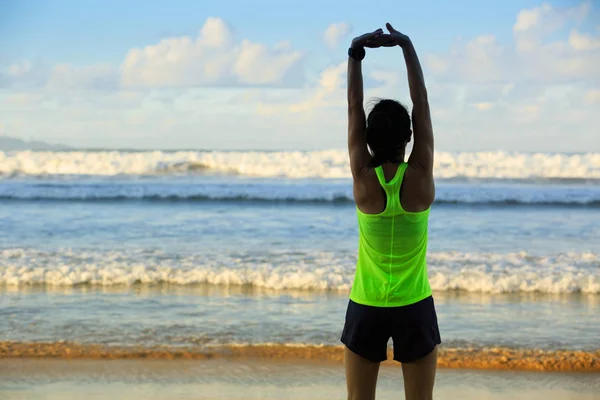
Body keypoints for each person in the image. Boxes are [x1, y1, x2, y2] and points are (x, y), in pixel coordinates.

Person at [341, 23, 441, 400]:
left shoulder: (364, 180)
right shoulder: (419, 178)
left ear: (367, 138)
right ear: (409, 137)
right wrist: (406, 46)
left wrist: (356, 54)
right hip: (414, 304)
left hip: (366, 303)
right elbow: (423, 104)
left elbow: (353, 106)